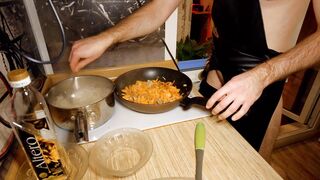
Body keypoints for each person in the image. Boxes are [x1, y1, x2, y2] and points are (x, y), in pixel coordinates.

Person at [69, 0, 320, 151]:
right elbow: (158, 9)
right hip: (215, 79)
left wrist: (263, 75)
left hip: (258, 92)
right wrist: (107, 38)